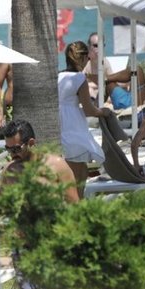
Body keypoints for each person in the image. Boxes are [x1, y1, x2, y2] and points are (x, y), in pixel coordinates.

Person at [0, 119, 80, 289]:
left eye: (16, 148)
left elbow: (74, 206)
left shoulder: (56, 166)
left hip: (51, 246)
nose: (13, 154)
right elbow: (4, 208)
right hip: (24, 250)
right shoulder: (10, 172)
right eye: (8, 149)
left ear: (32, 143)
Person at [58, 41, 112, 198]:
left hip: (60, 123)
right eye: (87, 58)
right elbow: (89, 110)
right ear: (82, 58)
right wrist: (103, 112)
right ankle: (75, 208)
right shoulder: (79, 78)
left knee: (80, 172)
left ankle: (78, 205)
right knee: (77, 176)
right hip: (73, 126)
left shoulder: (58, 76)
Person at [82, 32, 113, 101]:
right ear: (89, 47)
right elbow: (79, 81)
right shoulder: (84, 61)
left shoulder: (105, 62)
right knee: (89, 90)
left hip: (101, 93)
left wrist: (92, 85)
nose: (99, 48)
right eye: (96, 45)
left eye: (102, 45)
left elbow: (111, 82)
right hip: (89, 93)